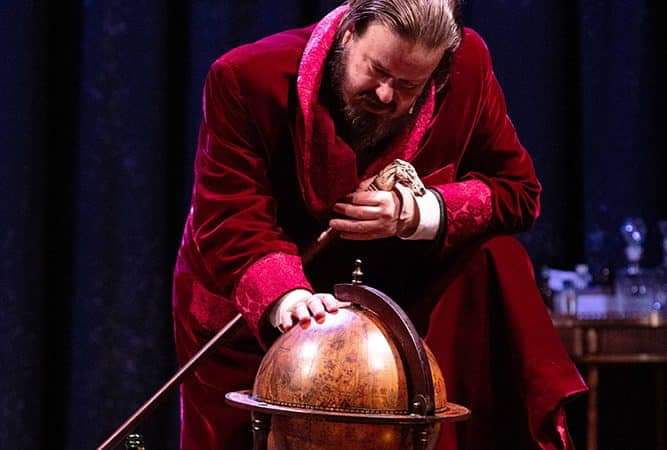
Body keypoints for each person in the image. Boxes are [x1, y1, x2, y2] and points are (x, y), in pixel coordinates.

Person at [172, 1, 587, 448]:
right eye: (376, 71)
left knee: (497, 256)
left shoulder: (467, 66)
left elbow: (518, 192)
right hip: (260, 310)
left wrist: (416, 212)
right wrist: (288, 299)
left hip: (395, 307)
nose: (387, 95)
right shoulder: (245, 77)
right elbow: (229, 217)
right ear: (348, 32)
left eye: (409, 85)